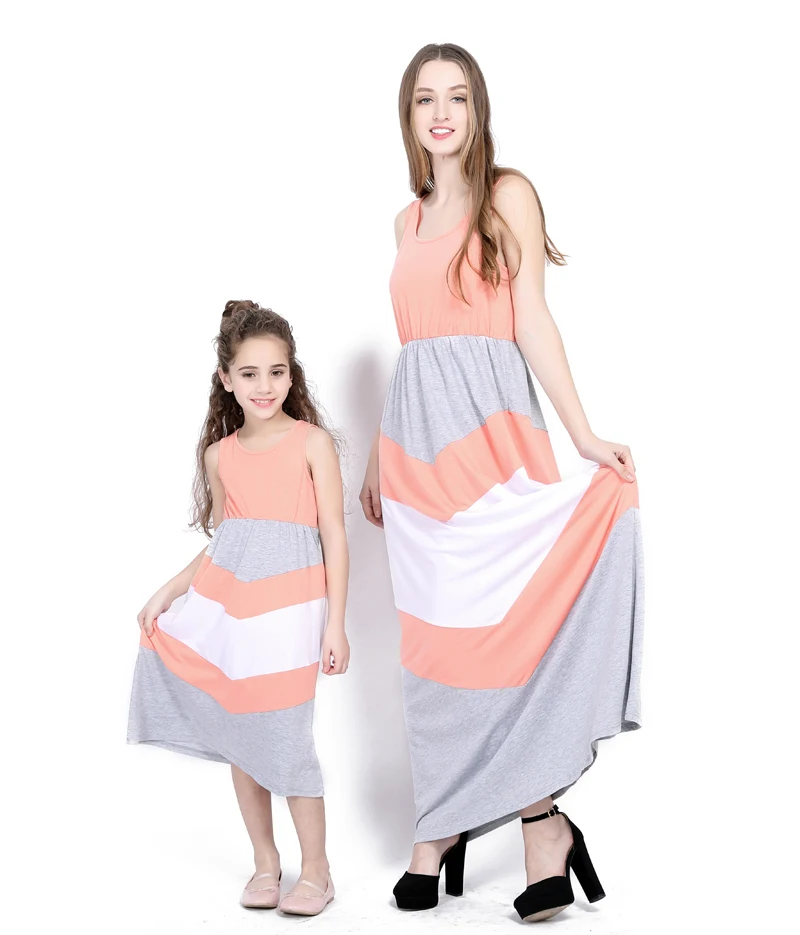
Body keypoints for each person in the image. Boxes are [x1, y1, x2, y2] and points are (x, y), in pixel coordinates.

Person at [359, 44, 644, 923]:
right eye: (424, 100)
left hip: (495, 434)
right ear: (408, 117)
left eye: (457, 97)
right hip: (416, 453)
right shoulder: (405, 222)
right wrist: (374, 455)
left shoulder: (507, 194)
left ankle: (540, 823)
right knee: (436, 644)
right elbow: (413, 351)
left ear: (478, 109)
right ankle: (441, 821)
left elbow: (531, 319)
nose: (441, 113)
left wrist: (583, 432)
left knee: (512, 631)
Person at [128, 300, 349, 917]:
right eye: (249, 374)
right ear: (226, 379)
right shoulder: (219, 455)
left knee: (286, 736)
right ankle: (266, 864)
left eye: (276, 372)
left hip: (294, 613)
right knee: (242, 735)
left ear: (291, 374)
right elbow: (226, 541)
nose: (264, 386)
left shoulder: (312, 444)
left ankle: (318, 870)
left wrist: (335, 623)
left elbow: (334, 535)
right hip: (232, 609)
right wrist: (171, 589)